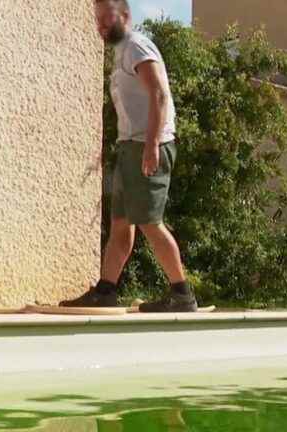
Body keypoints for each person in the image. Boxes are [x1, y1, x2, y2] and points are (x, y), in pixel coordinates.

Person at [59, 0, 198, 312]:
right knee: (121, 223)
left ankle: (182, 294)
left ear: (124, 15)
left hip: (148, 145)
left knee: (149, 221)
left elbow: (159, 94)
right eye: (97, 19)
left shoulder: (136, 46)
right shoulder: (121, 52)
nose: (101, 25)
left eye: (106, 17)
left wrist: (150, 146)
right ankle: (106, 291)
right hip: (130, 146)